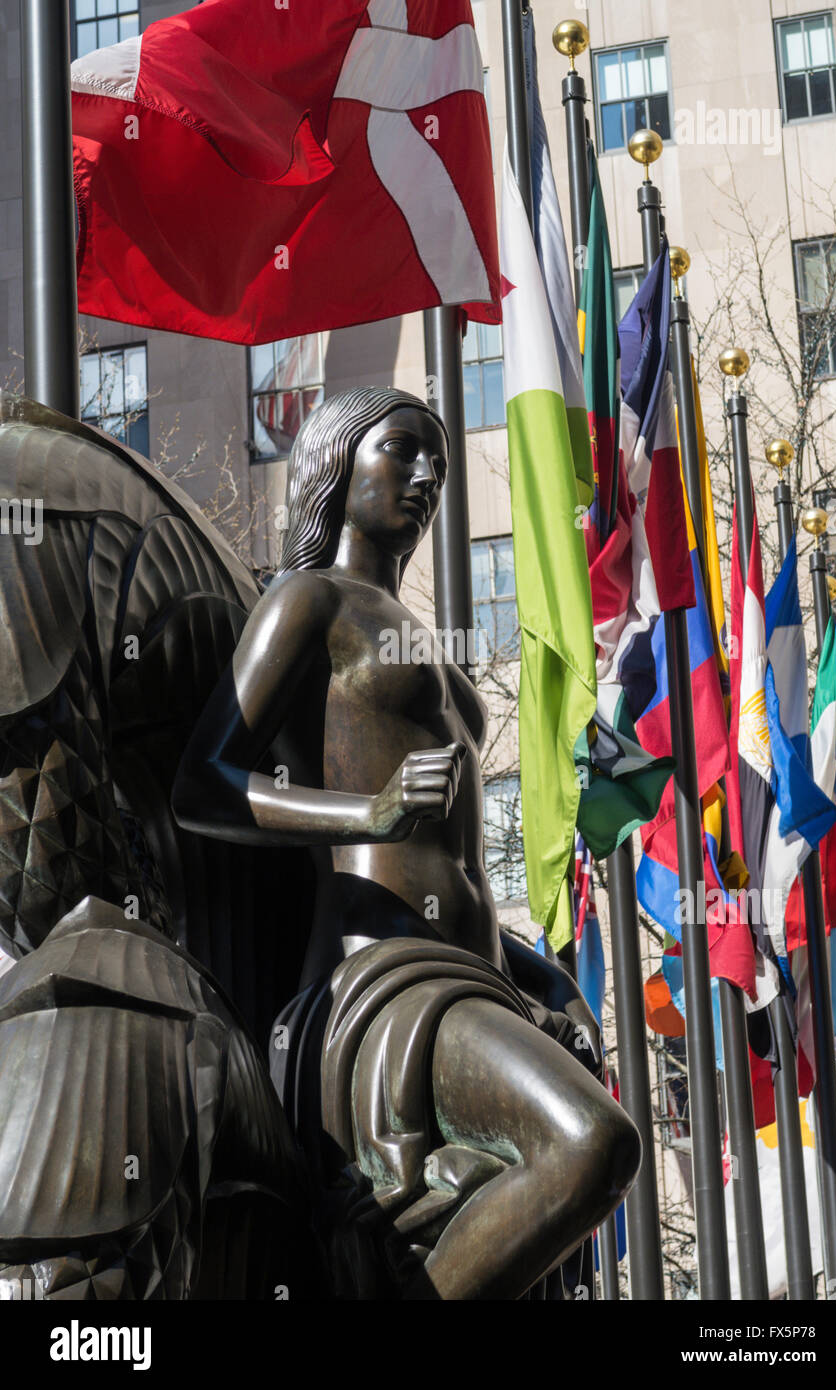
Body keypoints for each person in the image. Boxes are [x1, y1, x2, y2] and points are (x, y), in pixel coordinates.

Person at [172, 386, 640, 1300]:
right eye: (401, 451)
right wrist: (369, 815)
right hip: (380, 981)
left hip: (477, 978)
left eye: (439, 459)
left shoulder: (431, 647)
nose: (427, 475)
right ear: (337, 464)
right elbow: (200, 787)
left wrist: (541, 978)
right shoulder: (307, 602)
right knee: (592, 1143)